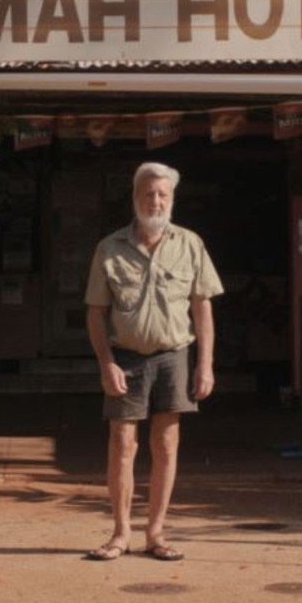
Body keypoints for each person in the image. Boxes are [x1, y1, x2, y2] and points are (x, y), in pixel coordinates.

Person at [83, 161, 223, 562]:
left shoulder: (190, 244)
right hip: (124, 357)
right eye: (149, 193)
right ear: (135, 197)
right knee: (122, 443)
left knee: (165, 444)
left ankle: (156, 533)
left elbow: (203, 309)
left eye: (163, 194)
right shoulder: (109, 248)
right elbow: (95, 313)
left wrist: (205, 364)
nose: (156, 200)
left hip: (173, 356)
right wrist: (105, 363)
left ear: (173, 199)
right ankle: (120, 533)